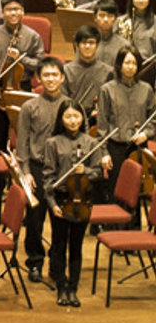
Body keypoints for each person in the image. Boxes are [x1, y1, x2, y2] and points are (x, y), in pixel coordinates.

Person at [42, 100, 109, 307]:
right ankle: (61, 287)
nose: (73, 121)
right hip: (61, 202)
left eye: (77, 116)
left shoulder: (91, 143)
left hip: (83, 202)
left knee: (77, 247)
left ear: (83, 118)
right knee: (60, 245)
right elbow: (48, 179)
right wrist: (52, 204)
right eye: (68, 117)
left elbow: (98, 173)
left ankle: (73, 288)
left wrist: (85, 171)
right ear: (61, 119)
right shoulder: (52, 143)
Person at [16, 57, 70, 282]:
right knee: (35, 222)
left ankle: (57, 265)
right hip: (36, 170)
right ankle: (35, 262)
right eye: (45, 75)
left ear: (62, 77)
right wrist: (26, 172)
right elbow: (22, 143)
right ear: (38, 78)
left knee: (61, 221)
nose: (50, 79)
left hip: (61, 171)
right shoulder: (29, 107)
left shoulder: (70, 105)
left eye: (54, 75)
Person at [98, 47, 154, 226]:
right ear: (119, 64)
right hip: (116, 147)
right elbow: (102, 125)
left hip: (137, 147)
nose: (131, 67)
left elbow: (154, 119)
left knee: (136, 190)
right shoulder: (107, 89)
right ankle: (115, 231)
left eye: (134, 63)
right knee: (116, 189)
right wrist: (103, 152)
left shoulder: (146, 89)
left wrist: (146, 133)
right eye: (127, 62)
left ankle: (133, 229)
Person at [0, 0, 44, 87]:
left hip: (23, 85)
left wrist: (20, 58)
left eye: (16, 9)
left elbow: (40, 64)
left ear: (23, 11)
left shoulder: (33, 36)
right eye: (8, 10)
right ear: (2, 13)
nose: (13, 13)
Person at [63, 25, 112, 108]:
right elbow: (63, 101)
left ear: (97, 45)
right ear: (77, 45)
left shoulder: (108, 72)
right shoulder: (66, 70)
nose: (87, 46)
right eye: (83, 42)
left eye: (91, 42)